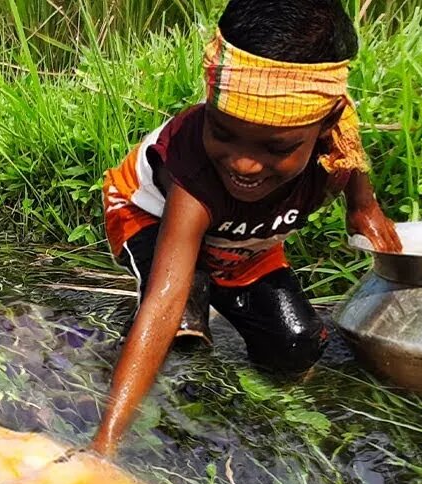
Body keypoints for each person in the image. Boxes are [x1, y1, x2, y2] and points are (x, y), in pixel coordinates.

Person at [91, 0, 401, 456]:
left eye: (276, 147)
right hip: (151, 214)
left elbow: (351, 161)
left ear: (324, 127)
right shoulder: (194, 173)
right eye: (224, 133)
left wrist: (364, 207)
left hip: (244, 242)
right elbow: (167, 297)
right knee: (182, 331)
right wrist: (105, 444)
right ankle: (161, 404)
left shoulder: (336, 142)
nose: (243, 163)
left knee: (295, 349)